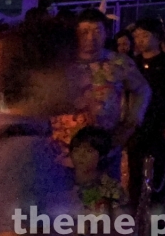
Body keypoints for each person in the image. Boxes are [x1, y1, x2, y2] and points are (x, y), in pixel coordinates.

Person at [0, 18, 124, 236]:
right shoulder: (25, 152)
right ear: (38, 77)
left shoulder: (4, 138)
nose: (85, 80)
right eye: (72, 67)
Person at [51, 9, 150, 179]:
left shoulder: (118, 62)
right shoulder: (61, 63)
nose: (91, 37)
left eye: (97, 31)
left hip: (106, 147)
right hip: (63, 150)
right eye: (84, 32)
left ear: (106, 33)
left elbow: (142, 90)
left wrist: (131, 123)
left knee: (105, 198)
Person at [130, 17, 165, 203]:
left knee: (158, 163)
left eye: (145, 35)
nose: (139, 40)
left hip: (159, 120)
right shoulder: (133, 62)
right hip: (138, 120)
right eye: (136, 36)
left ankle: (158, 202)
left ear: (157, 37)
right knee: (136, 164)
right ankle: (136, 204)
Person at [69, 126, 125, 213]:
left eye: (89, 151)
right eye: (76, 150)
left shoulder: (111, 189)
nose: (81, 155)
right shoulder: (61, 182)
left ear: (101, 156)